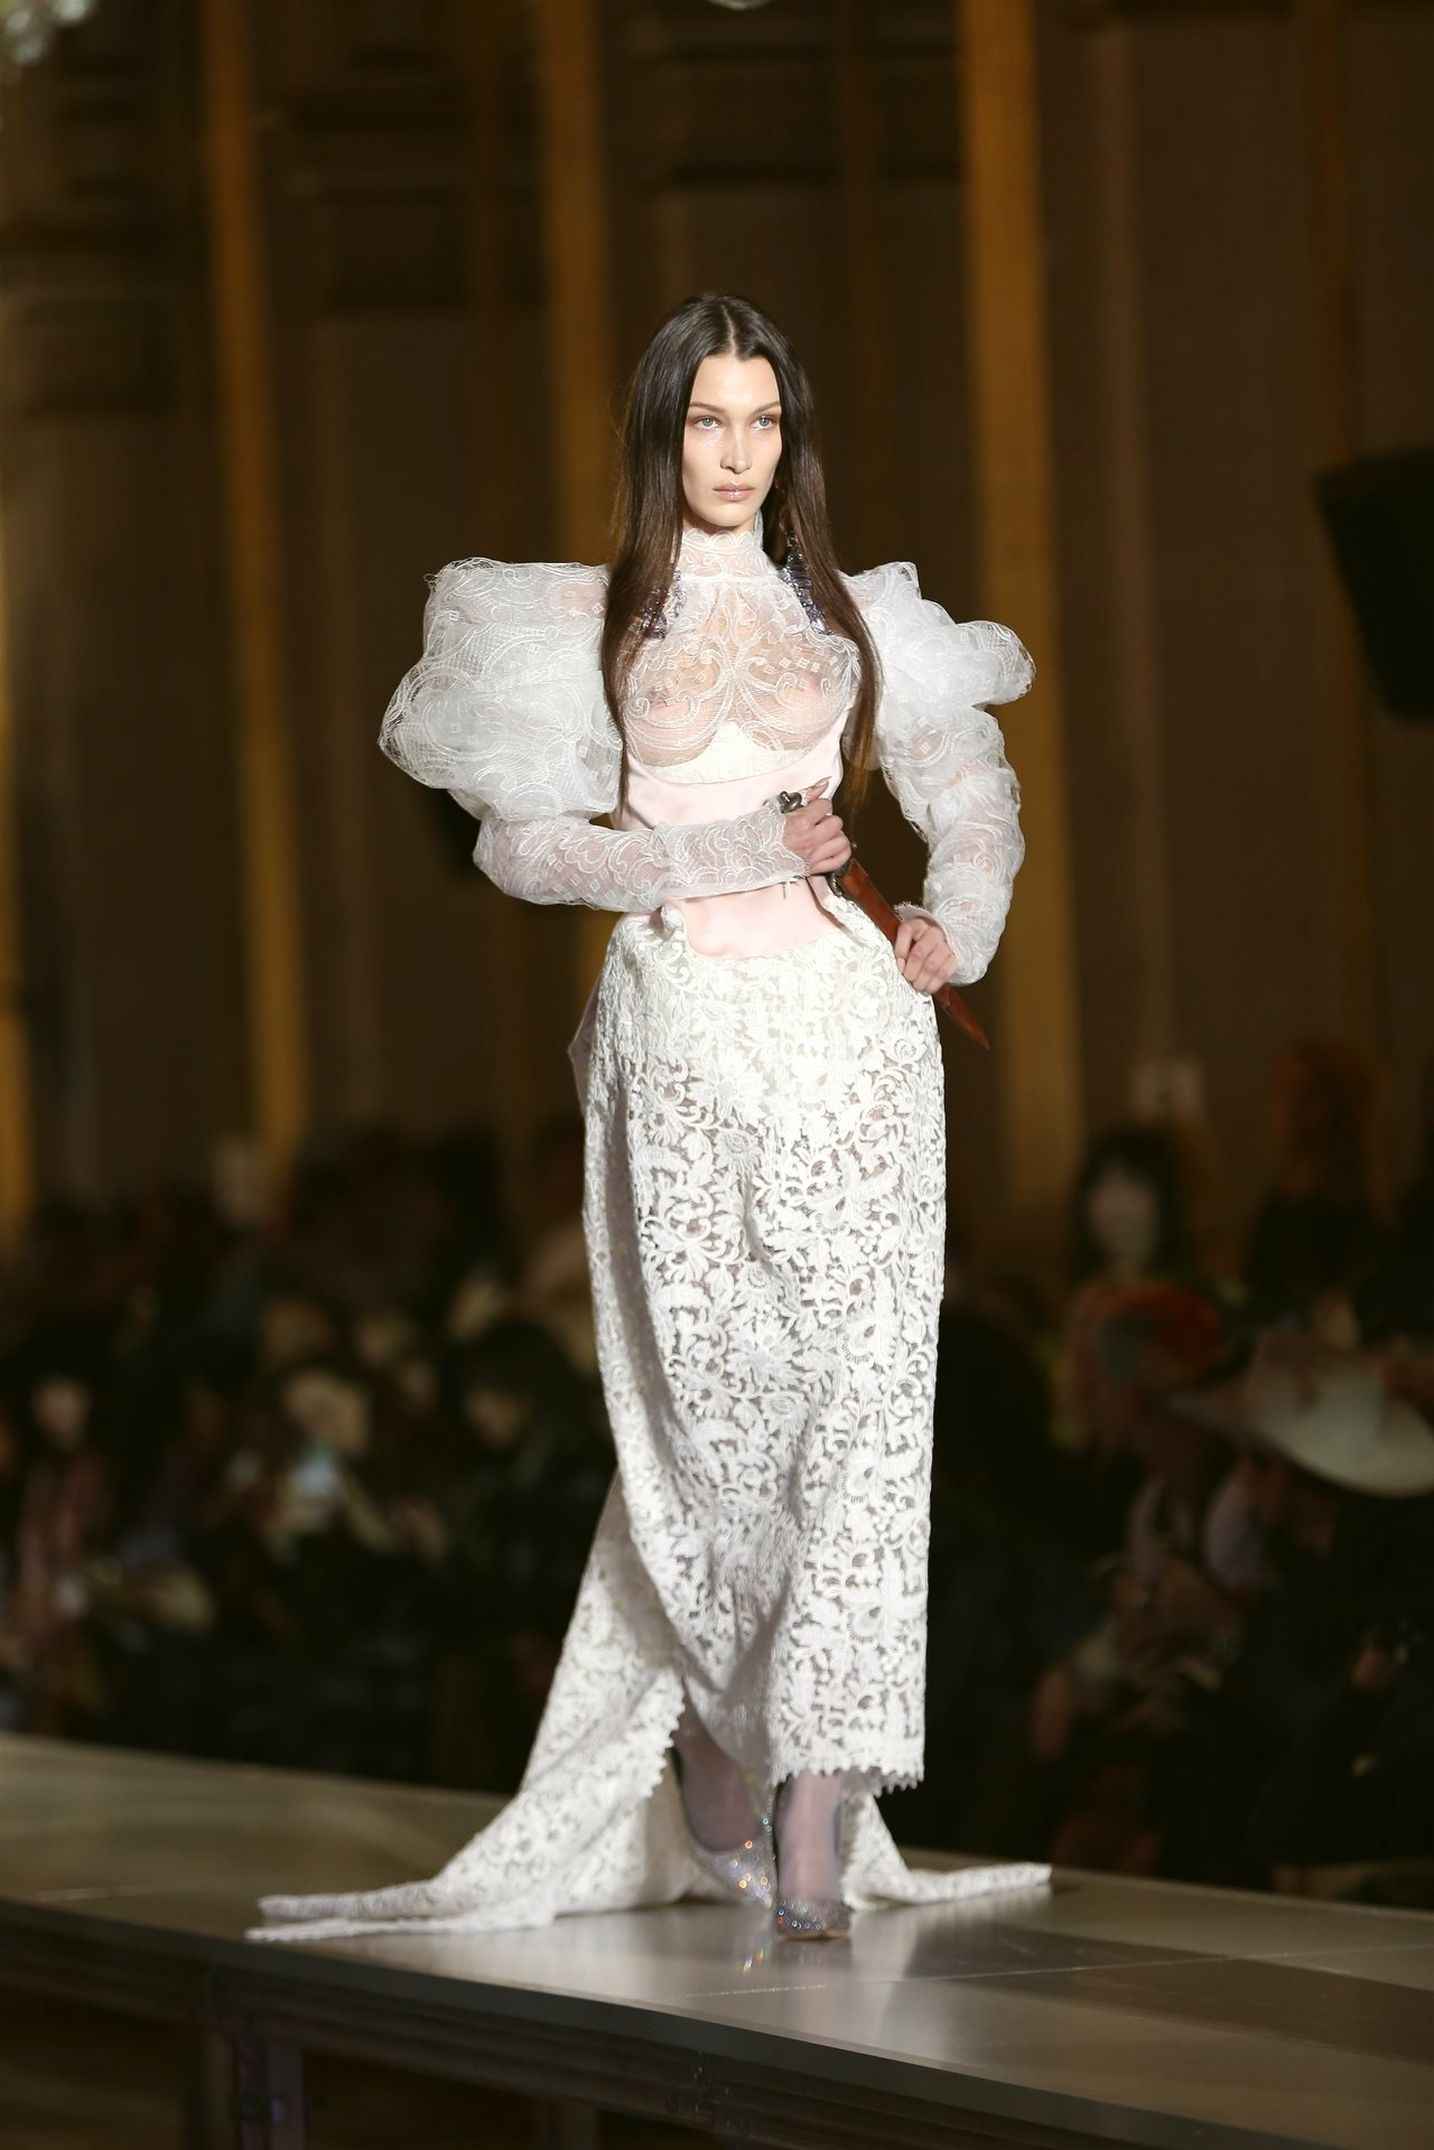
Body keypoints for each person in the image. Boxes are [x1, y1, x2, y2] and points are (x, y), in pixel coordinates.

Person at [251, 291, 1049, 1947]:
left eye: (761, 421)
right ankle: (707, 1718)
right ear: (659, 432)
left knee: (865, 1406)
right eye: (706, 421)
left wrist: (951, 928)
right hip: (680, 1027)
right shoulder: (588, 620)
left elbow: (969, 786)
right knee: (713, 1407)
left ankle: (820, 1778)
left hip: (855, 1036)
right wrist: (719, 852)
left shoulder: (852, 614)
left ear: (789, 436)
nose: (736, 452)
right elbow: (519, 845)